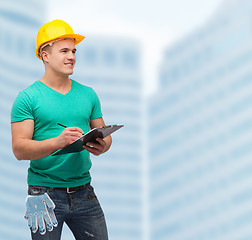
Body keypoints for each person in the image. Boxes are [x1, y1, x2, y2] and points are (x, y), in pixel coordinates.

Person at [11, 19, 111, 240]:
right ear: (45, 56)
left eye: (74, 51)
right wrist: (59, 141)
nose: (72, 56)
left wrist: (103, 145)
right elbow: (19, 149)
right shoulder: (27, 98)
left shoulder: (88, 94)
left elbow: (104, 133)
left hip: (84, 191)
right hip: (43, 194)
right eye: (64, 50)